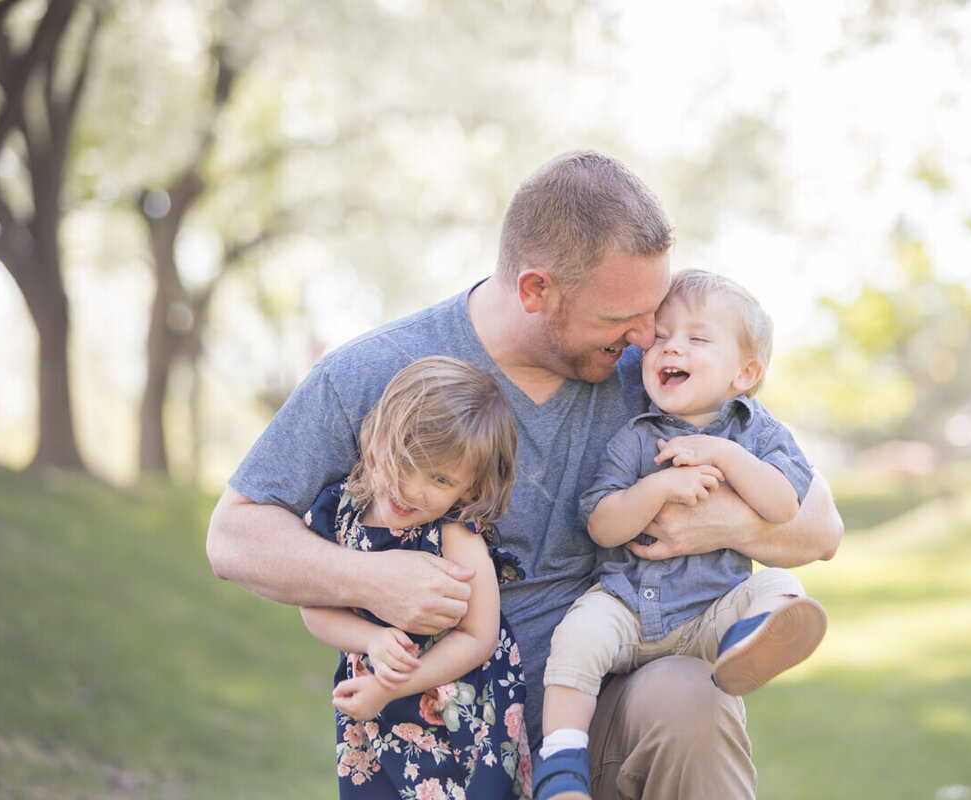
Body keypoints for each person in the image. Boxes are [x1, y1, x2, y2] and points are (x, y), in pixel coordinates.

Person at [206, 150, 844, 800]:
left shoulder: (653, 375)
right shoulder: (376, 374)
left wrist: (710, 521)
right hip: (448, 742)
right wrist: (371, 578)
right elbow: (234, 535)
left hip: (599, 712)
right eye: (621, 316)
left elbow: (820, 527)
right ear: (536, 289)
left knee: (689, 697)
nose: (648, 334)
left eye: (653, 309)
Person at [532, 269, 828, 798]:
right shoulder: (636, 436)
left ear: (744, 373)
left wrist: (723, 455)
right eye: (662, 336)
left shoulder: (755, 433)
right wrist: (658, 487)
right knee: (575, 637)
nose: (671, 348)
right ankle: (561, 764)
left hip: (707, 613)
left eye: (696, 338)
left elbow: (784, 505)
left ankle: (750, 643)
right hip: (625, 604)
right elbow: (602, 524)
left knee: (777, 584)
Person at [298, 356, 530, 797]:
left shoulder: (455, 534)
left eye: (440, 478)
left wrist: (391, 686)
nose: (411, 488)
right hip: (374, 706)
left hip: (458, 716)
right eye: (404, 461)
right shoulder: (341, 514)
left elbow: (480, 637)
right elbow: (314, 609)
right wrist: (370, 641)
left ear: (470, 489)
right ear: (376, 433)